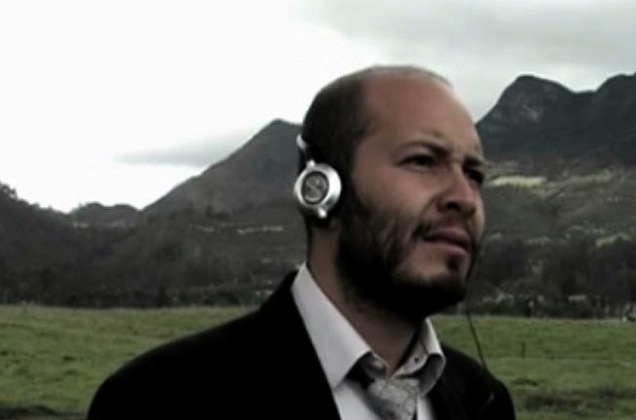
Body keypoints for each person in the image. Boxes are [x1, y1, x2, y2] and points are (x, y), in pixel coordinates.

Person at [87, 65, 516, 420]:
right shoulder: (160, 400)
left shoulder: (485, 400)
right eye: (422, 161)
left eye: (474, 174)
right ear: (321, 190)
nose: (464, 197)